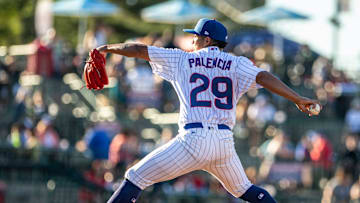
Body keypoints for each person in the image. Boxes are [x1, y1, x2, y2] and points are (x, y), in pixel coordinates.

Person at [95, 18, 321, 203]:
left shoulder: (182, 58)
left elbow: (138, 49)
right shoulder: (237, 63)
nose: (192, 40)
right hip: (223, 143)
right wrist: (297, 98)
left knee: (135, 177)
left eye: (195, 36)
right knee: (245, 190)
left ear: (206, 39)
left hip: (194, 139)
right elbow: (263, 76)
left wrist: (106, 48)